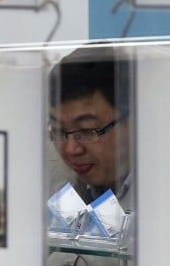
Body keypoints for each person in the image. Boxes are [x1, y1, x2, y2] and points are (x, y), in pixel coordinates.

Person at [47, 44, 133, 211]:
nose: (71, 149)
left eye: (87, 130)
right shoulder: (45, 180)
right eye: (58, 130)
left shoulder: (165, 189)